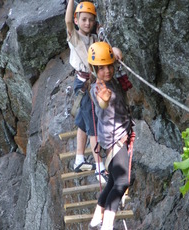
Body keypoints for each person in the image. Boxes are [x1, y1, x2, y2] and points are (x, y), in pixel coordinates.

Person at [65, 1, 122, 182]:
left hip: (89, 82)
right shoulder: (74, 36)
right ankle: (99, 167)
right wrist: (71, 2)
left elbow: (106, 50)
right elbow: (67, 21)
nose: (87, 23)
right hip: (83, 83)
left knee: (83, 122)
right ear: (77, 20)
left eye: (90, 20)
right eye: (83, 20)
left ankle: (79, 159)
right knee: (94, 127)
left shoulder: (95, 39)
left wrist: (116, 51)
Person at [87, 41, 134, 230]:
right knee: (122, 182)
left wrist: (114, 53)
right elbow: (102, 103)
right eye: (101, 68)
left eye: (109, 66)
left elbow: (117, 51)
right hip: (115, 139)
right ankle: (107, 225)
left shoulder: (111, 79)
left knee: (113, 181)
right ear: (94, 69)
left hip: (116, 136)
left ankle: (96, 219)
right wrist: (104, 100)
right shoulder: (97, 88)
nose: (107, 71)